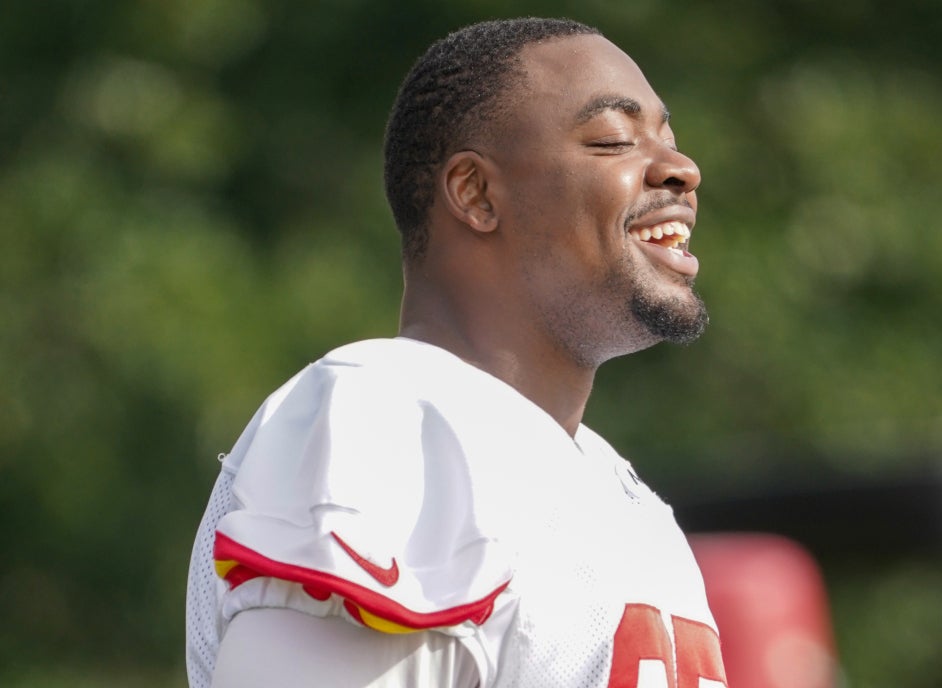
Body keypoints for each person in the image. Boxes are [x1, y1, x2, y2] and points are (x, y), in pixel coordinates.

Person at [185, 16, 726, 688]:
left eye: (669, 140)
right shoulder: (392, 419)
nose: (680, 168)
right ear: (475, 193)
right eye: (613, 139)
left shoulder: (627, 498)